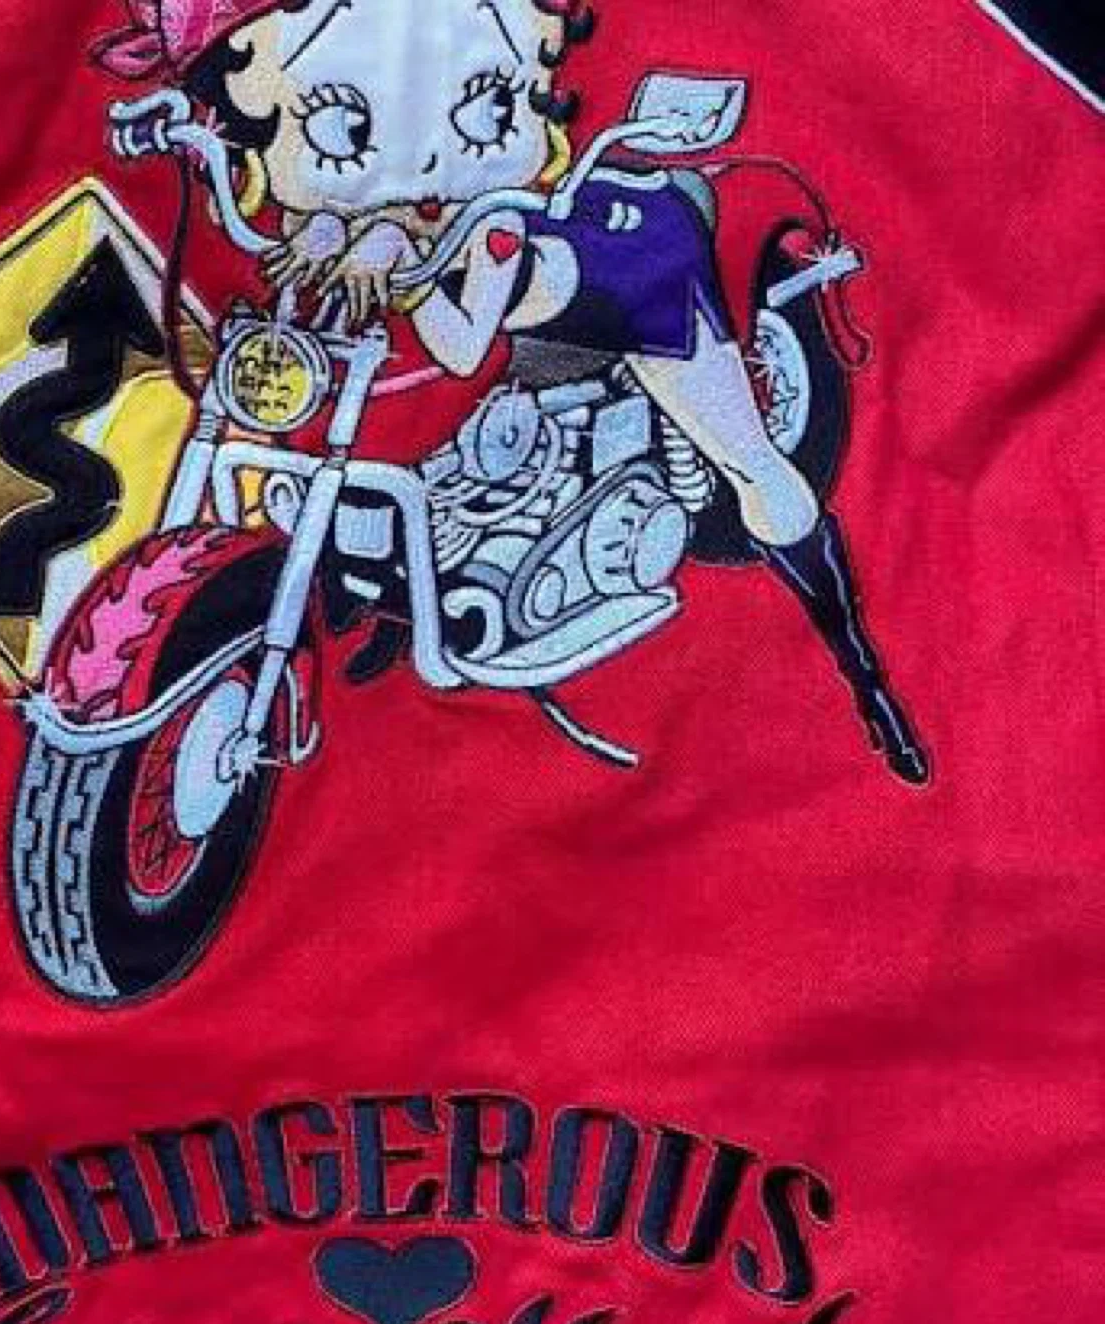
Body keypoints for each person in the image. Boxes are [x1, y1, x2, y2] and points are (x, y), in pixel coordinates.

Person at [94, 0, 929, 783]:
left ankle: (863, 674)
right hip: (488, 286)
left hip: (640, 279)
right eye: (335, 122)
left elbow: (461, 349)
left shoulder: (488, 225)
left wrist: (398, 256)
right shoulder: (361, 202)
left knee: (752, 468)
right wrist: (294, 207)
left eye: (493, 106)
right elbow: (328, 202)